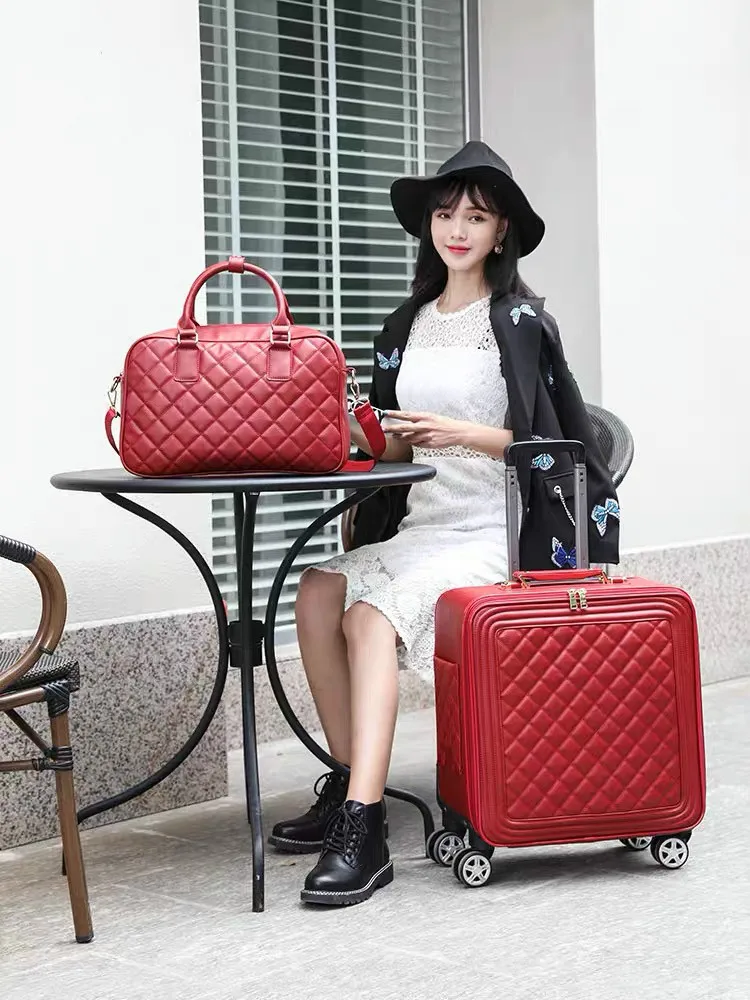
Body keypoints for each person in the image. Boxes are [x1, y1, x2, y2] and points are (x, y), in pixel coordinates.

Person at [268, 140, 620, 906]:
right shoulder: (405, 325)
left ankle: (364, 828)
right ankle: (348, 779)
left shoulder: (521, 322)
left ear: (501, 232)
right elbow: (398, 447)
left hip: (498, 530)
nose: (457, 229)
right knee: (316, 590)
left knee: (368, 617)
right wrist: (358, 428)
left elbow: (560, 448)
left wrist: (462, 434)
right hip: (425, 526)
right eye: (445, 214)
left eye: (477, 217)